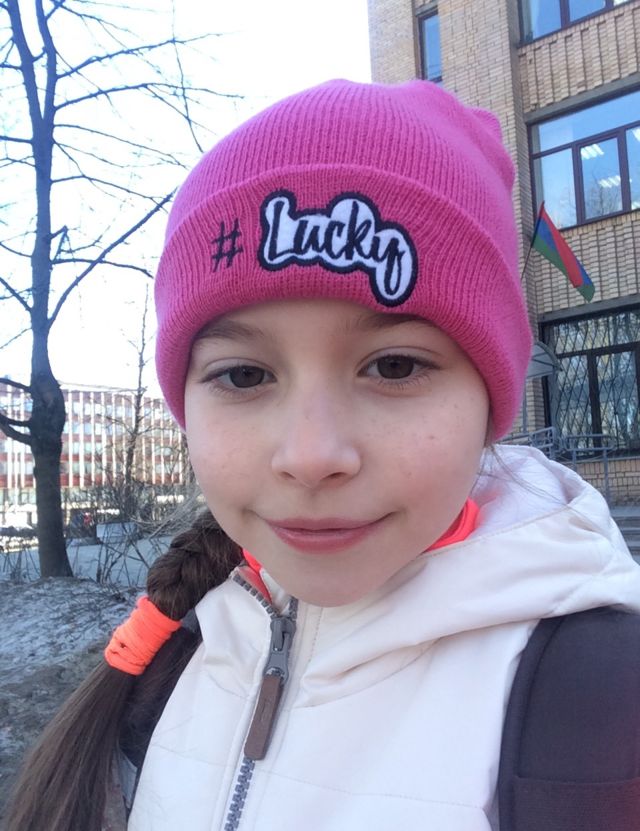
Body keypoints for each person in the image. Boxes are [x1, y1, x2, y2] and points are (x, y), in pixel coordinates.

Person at [7, 79, 640, 831]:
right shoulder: (173, 662)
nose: (311, 456)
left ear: (489, 403)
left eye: (395, 366)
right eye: (244, 376)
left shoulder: (600, 702)